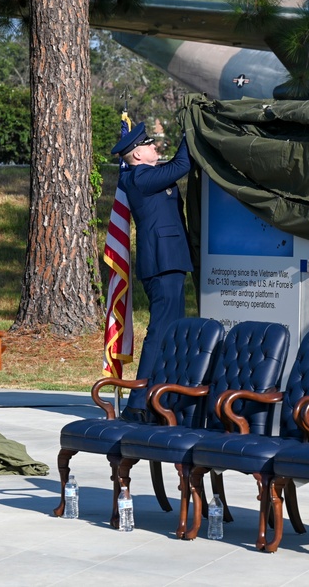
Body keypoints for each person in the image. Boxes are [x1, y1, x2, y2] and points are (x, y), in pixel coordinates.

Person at [113, 122, 193, 415]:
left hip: (168, 260)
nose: (155, 148)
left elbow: (176, 165)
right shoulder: (140, 177)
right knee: (161, 332)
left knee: (171, 332)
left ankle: (162, 399)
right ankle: (138, 403)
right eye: (149, 145)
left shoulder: (143, 174)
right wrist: (191, 128)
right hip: (162, 262)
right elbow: (182, 163)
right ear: (135, 155)